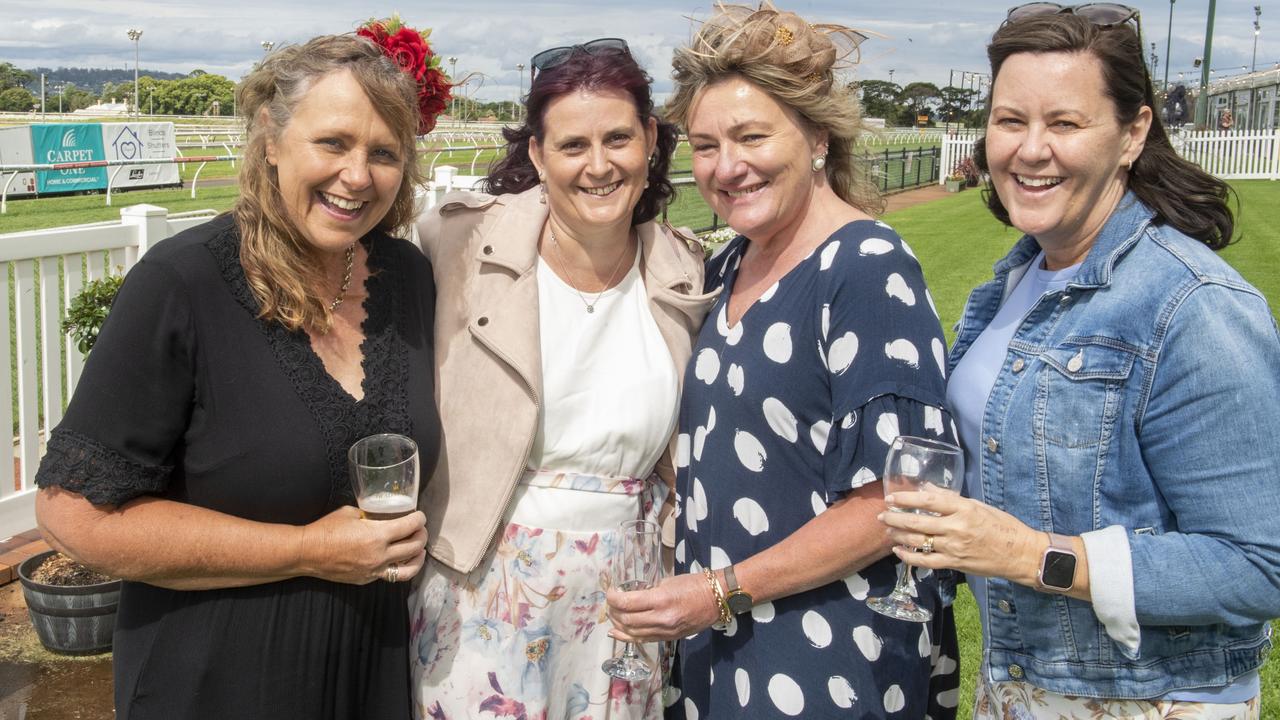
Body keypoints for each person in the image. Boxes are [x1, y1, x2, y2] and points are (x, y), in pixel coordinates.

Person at [33, 24, 448, 719]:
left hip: (369, 676)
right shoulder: (180, 284)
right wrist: (306, 551)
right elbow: (71, 515)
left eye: (384, 152)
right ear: (271, 137)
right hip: (213, 682)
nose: (358, 175)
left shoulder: (408, 278)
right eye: (334, 142)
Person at [882, 6, 1280, 719]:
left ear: (1133, 134)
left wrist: (1030, 554)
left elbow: (1257, 565)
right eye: (1010, 121)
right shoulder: (1015, 282)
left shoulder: (1193, 306)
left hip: (1149, 701)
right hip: (1017, 685)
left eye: (1065, 124)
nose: (1031, 150)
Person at [606, 4, 961, 718]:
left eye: (751, 136)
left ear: (817, 135)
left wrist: (718, 592)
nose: (726, 166)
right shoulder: (737, 258)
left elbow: (893, 501)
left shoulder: (865, 267)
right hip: (728, 637)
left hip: (828, 651)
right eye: (705, 145)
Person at [409, 38, 715, 720]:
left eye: (618, 139)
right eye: (573, 145)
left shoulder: (683, 270)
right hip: (478, 589)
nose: (599, 166)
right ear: (539, 154)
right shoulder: (455, 244)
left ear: (651, 142)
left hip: (625, 598)